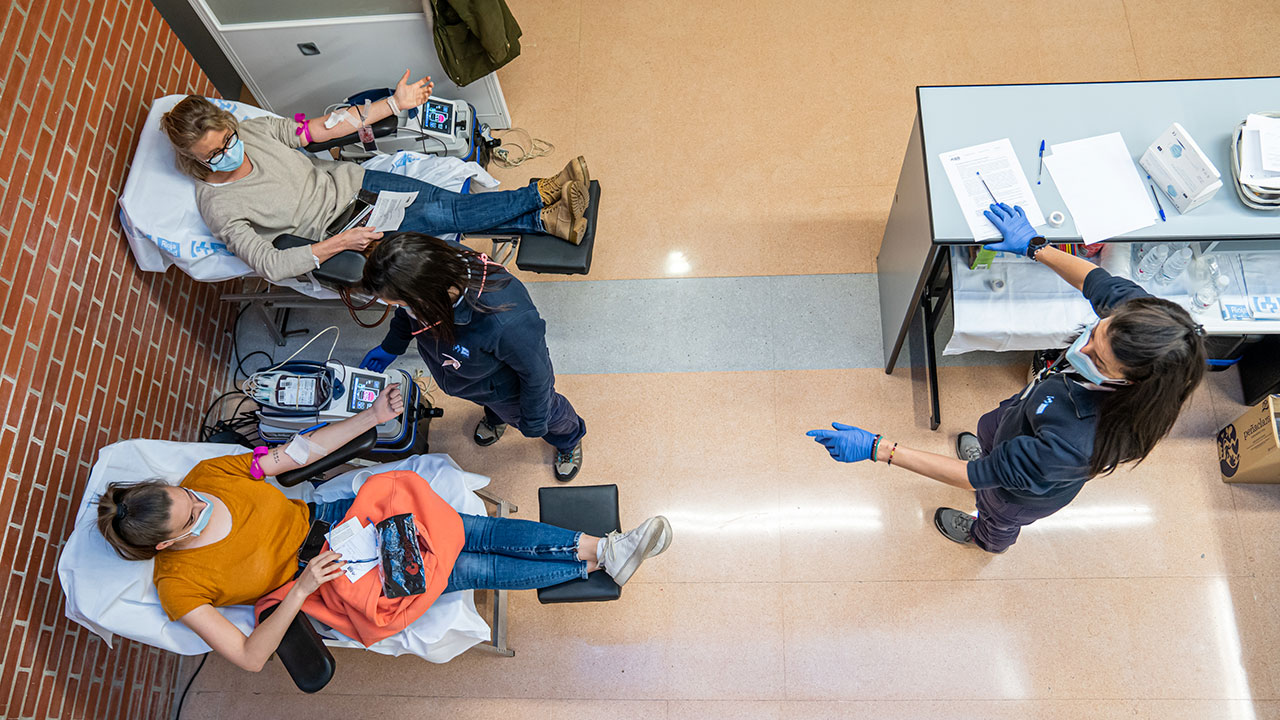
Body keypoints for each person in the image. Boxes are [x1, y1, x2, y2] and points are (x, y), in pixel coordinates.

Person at [96, 384, 671, 672]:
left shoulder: (207, 474)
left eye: (188, 496)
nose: (201, 503)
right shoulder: (179, 586)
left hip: (333, 520)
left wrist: (370, 417)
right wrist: (298, 589)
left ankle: (601, 550)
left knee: (462, 526)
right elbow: (248, 656)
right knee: (460, 565)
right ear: (168, 544)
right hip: (322, 579)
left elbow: (293, 457)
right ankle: (597, 556)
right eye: (193, 516)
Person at [807, 203, 1206, 554]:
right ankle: (998, 454)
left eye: (1099, 361)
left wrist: (881, 448)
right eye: (1095, 332)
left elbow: (971, 477)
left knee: (995, 509)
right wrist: (1036, 246)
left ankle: (986, 540)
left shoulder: (1073, 444)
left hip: (1018, 492)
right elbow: (1096, 282)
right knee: (990, 431)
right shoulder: (1138, 325)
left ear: (1134, 382)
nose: (1080, 350)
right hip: (1025, 416)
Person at [159, 70, 591, 283]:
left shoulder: (249, 131)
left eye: (226, 140)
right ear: (194, 159)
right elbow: (271, 265)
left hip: (360, 185)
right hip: (345, 229)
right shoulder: (219, 205)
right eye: (212, 154)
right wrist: (338, 245)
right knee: (450, 213)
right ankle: (543, 194)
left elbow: (316, 131)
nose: (226, 153)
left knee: (451, 210)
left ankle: (545, 220)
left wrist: (392, 104)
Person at [358, 233, 588, 481]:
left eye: (400, 302)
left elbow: (538, 375)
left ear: (425, 295)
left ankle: (569, 439)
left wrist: (534, 421)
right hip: (473, 380)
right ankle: (496, 417)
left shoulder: (506, 321)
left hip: (510, 390)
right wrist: (392, 346)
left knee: (551, 415)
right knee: (492, 404)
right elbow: (407, 313)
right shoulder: (426, 272)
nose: (401, 308)